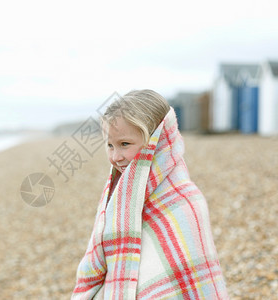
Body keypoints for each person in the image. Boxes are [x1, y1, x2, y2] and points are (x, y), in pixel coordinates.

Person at [72, 90, 229, 299]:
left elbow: (191, 281)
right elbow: (100, 263)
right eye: (110, 145)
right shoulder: (118, 199)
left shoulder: (185, 201)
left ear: (158, 142)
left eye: (124, 144)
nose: (115, 156)